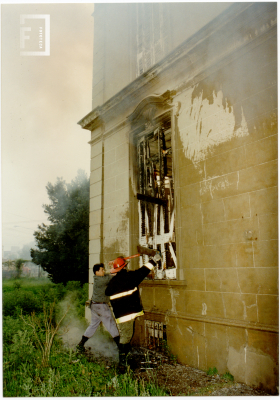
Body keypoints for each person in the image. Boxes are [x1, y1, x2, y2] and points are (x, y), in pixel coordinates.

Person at [105, 253, 161, 365]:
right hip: (128, 313)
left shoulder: (112, 283)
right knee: (126, 337)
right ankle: (122, 362)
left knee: (125, 335)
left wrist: (114, 268)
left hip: (120, 315)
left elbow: (107, 292)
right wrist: (154, 260)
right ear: (125, 266)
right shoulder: (131, 277)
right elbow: (144, 270)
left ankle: (124, 356)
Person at [76, 263, 120, 352]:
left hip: (95, 306)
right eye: (102, 270)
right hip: (101, 307)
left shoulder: (97, 278)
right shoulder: (101, 280)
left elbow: (108, 276)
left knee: (93, 326)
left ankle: (80, 344)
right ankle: (121, 347)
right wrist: (117, 271)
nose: (104, 271)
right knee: (111, 325)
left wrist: (113, 272)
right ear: (97, 272)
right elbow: (110, 277)